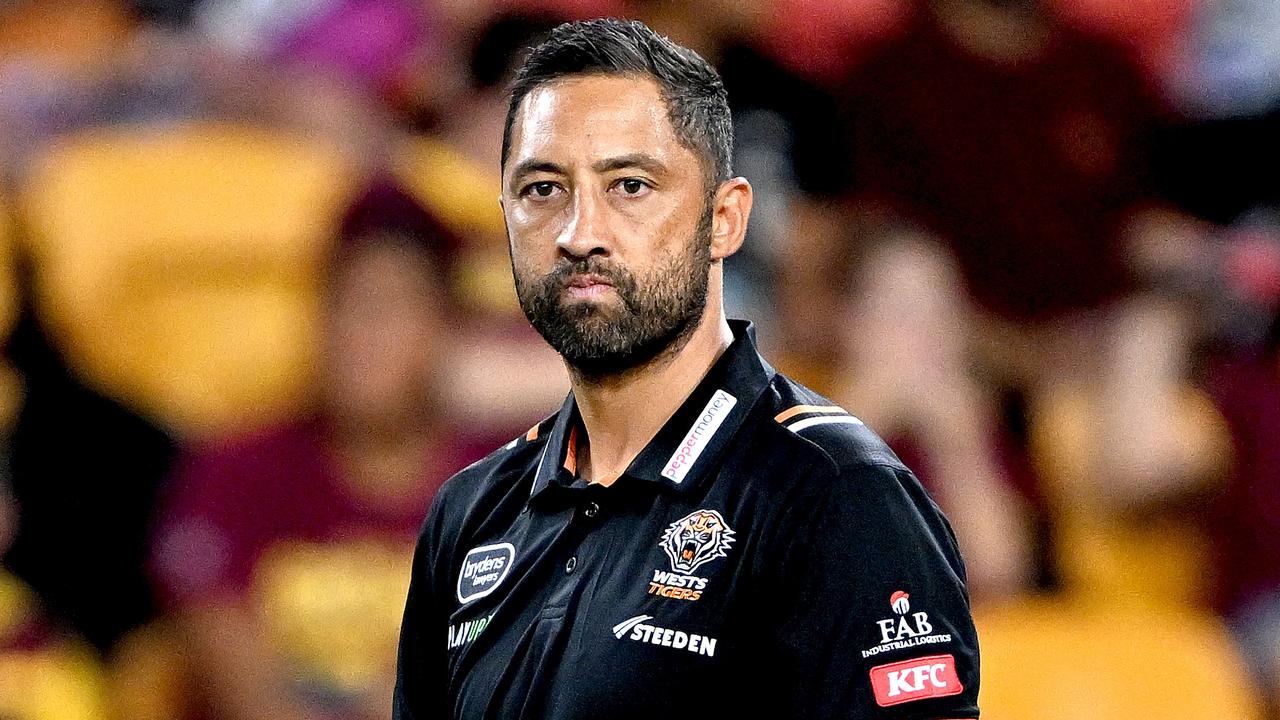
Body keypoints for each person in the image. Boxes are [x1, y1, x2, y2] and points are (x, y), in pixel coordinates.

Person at [393, 19, 979, 719]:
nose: (581, 233)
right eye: (543, 189)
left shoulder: (836, 492)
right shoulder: (470, 513)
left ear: (725, 219)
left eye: (631, 186)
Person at [151, 180, 499, 720]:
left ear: (444, 331)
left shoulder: (502, 490)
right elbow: (238, 686)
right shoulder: (232, 473)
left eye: (389, 309)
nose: (360, 336)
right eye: (344, 304)